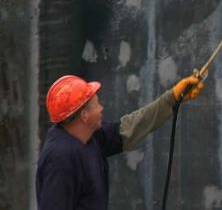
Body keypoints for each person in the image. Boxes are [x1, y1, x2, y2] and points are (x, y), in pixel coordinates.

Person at [36, 74, 204, 210]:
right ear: (84, 116)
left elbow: (132, 127)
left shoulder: (90, 136)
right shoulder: (59, 160)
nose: (101, 108)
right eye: (96, 104)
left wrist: (173, 98)